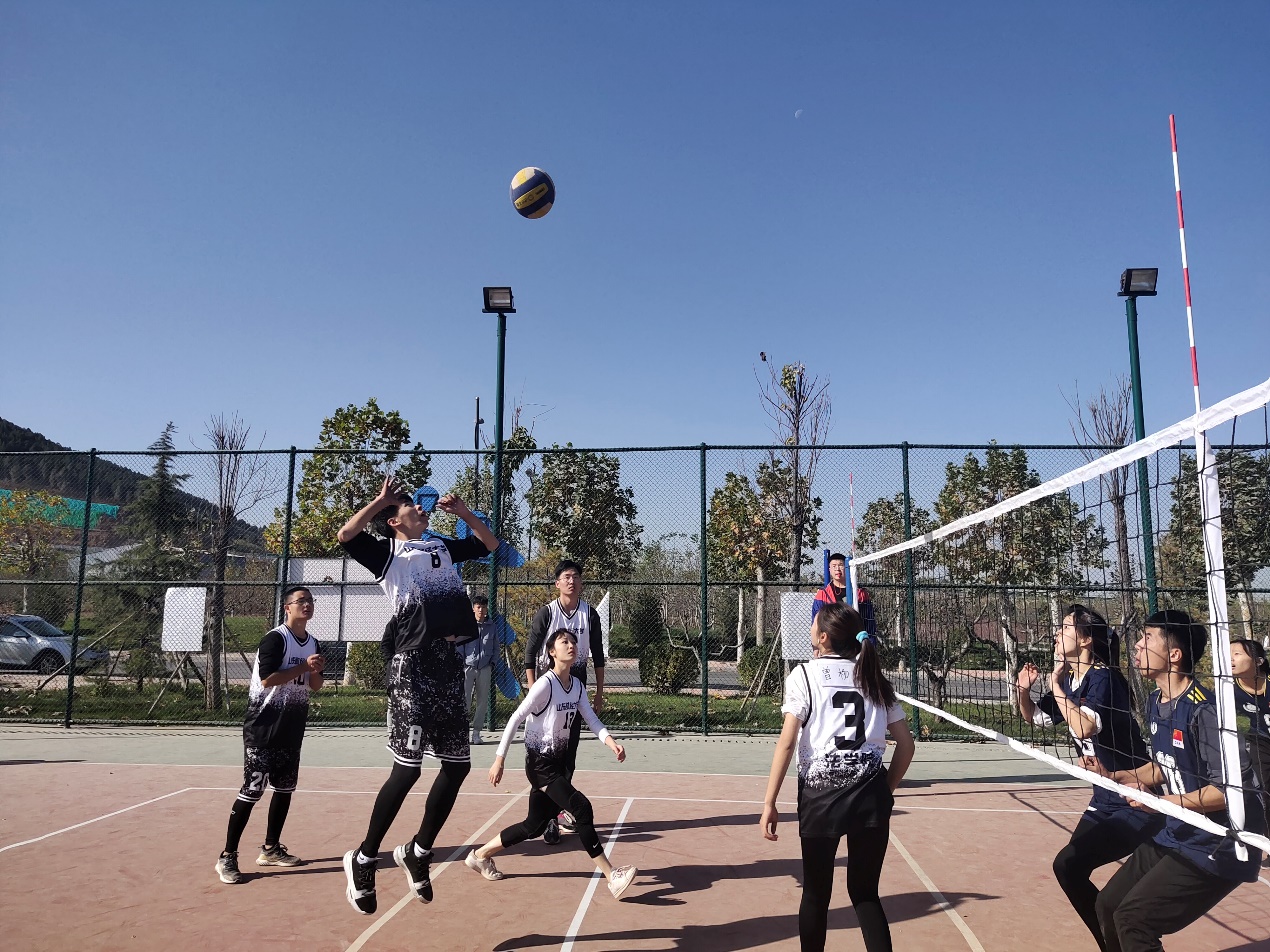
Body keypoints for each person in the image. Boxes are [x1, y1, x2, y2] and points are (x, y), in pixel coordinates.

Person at [336, 475, 499, 915]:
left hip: (448, 663)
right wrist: (379, 501)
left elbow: (489, 545)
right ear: (394, 520)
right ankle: (364, 858)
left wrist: (464, 513)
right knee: (407, 770)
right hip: (413, 666)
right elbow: (346, 535)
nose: (422, 509)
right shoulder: (388, 554)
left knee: (458, 766)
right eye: (412, 507)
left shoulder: (439, 546)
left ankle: (418, 851)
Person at [1094, 610, 1266, 952]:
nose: (1137, 645)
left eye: (1147, 638)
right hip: (1179, 832)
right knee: (1108, 905)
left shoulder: (1205, 711)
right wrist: (1114, 776)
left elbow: (1227, 791)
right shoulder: (1156, 700)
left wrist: (1160, 803)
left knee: (1134, 920)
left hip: (1222, 841)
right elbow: (1167, 765)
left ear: (1174, 654)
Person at [761, 602, 916, 952]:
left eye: (814, 624)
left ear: (823, 637)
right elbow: (906, 745)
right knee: (865, 894)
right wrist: (885, 790)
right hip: (870, 797)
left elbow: (787, 743)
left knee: (816, 895)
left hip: (821, 797)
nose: (810, 628)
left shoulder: (804, 675)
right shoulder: (874, 677)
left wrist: (769, 802)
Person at [1016, 605, 1162, 949]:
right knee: (1068, 868)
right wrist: (1024, 691)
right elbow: (1036, 718)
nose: (1056, 633)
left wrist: (1054, 684)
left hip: (1138, 796)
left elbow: (1084, 726)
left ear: (1085, 639)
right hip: (1105, 798)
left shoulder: (1104, 678)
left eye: (1065, 627)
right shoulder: (1071, 679)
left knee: (1090, 879)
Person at [465, 628, 638, 899]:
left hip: (559, 764)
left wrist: (611, 741)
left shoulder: (576, 686)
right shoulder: (545, 684)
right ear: (551, 652)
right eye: (564, 642)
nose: (571, 645)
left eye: (573, 642)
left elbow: (591, 719)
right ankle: (611, 876)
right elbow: (515, 718)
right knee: (581, 808)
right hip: (540, 764)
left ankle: (480, 855)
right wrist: (499, 759)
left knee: (534, 825)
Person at [215, 585, 324, 884]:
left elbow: (315, 686)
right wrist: (303, 666)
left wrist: (315, 671)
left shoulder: (313, 642)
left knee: (285, 790)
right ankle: (227, 856)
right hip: (263, 727)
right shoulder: (276, 639)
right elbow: (267, 679)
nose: (307, 605)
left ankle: (271, 849)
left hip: (291, 728)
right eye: (301, 601)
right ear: (287, 607)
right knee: (252, 791)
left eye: (310, 600)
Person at [523, 559, 607, 844]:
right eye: (567, 577)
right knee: (545, 755)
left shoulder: (589, 614)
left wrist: (598, 692)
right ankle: (546, 817)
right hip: (548, 691)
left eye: (576, 576)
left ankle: (556, 812)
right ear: (557, 583)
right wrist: (533, 689)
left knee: (567, 756)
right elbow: (530, 651)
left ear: (581, 582)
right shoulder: (547, 613)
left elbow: (598, 653)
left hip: (575, 691)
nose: (572, 581)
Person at [1230, 636, 1270, 850]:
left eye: (1236, 654)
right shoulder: (1228, 691)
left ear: (1258, 661)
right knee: (1265, 790)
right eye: (1228, 655)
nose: (1230, 659)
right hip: (1259, 744)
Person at [463, 595, 513, 745]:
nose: (481, 610)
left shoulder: (492, 627)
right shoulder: (466, 625)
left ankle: (476, 733)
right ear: (473, 609)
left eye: (484, 607)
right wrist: (462, 664)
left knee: (482, 701)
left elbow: (496, 648)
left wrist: (492, 664)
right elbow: (459, 646)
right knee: (465, 701)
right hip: (467, 668)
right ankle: (463, 733)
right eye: (478, 607)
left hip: (485, 668)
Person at [811, 552, 876, 637]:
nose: (837, 569)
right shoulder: (823, 594)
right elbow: (816, 621)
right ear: (829, 569)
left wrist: (870, 641)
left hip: (856, 639)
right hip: (832, 640)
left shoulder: (860, 593)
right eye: (834, 566)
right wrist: (817, 643)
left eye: (841, 565)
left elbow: (869, 620)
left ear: (847, 568)